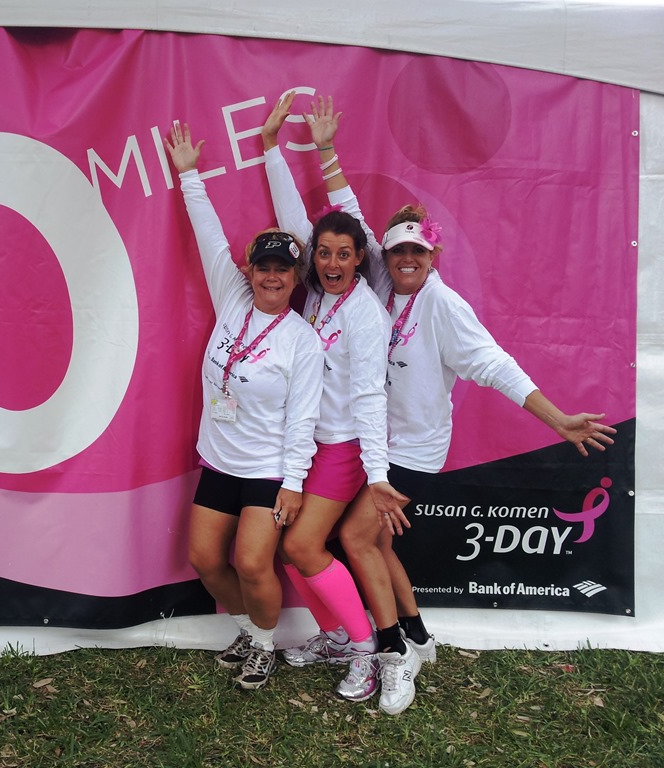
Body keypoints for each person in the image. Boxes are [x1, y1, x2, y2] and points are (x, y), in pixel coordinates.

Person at [274, 94, 616, 715]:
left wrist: (559, 419)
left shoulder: (443, 304)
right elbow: (349, 220)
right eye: (398, 252)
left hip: (414, 449)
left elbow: (496, 366)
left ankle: (389, 656)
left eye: (418, 253)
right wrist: (324, 150)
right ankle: (419, 637)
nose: (407, 261)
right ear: (385, 257)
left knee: (356, 538)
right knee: (377, 546)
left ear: (434, 257)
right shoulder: (380, 284)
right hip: (376, 443)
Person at [164, 121, 325, 690]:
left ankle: (264, 646)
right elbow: (209, 236)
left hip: (266, 469)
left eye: (283, 269)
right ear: (250, 270)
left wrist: (294, 483)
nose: (272, 276)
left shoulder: (302, 341)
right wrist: (189, 174)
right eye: (264, 267)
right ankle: (248, 630)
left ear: (296, 277)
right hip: (219, 459)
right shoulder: (232, 297)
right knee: (205, 560)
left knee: (254, 563)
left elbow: (303, 418)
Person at [259, 91, 407, 704]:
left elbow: (370, 397)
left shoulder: (365, 313)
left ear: (360, 259)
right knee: (288, 542)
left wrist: (378, 475)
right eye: (324, 253)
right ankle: (335, 636)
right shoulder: (319, 294)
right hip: (311, 442)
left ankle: (367, 650)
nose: (332, 262)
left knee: (300, 545)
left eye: (345, 254)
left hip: (345, 447)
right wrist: (270, 149)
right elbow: (297, 221)